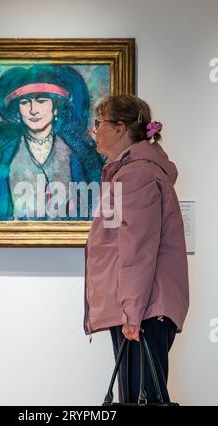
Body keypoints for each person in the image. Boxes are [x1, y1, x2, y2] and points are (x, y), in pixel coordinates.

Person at [83, 94, 189, 403]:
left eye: (98, 123)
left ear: (119, 128)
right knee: (142, 395)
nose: (94, 131)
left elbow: (137, 252)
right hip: (145, 308)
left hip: (141, 310)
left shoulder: (135, 175)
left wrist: (132, 313)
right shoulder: (134, 172)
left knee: (140, 397)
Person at [0, 65, 104, 221]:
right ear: (17, 110)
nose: (33, 110)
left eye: (41, 101)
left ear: (56, 108)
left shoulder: (80, 154)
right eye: (24, 102)